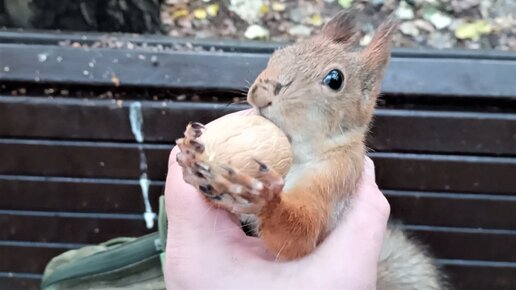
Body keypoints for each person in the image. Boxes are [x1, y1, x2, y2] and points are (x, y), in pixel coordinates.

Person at [163, 110, 390, 289]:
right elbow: (230, 205)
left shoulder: (337, 163)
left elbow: (298, 238)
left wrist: (271, 207)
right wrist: (207, 171)